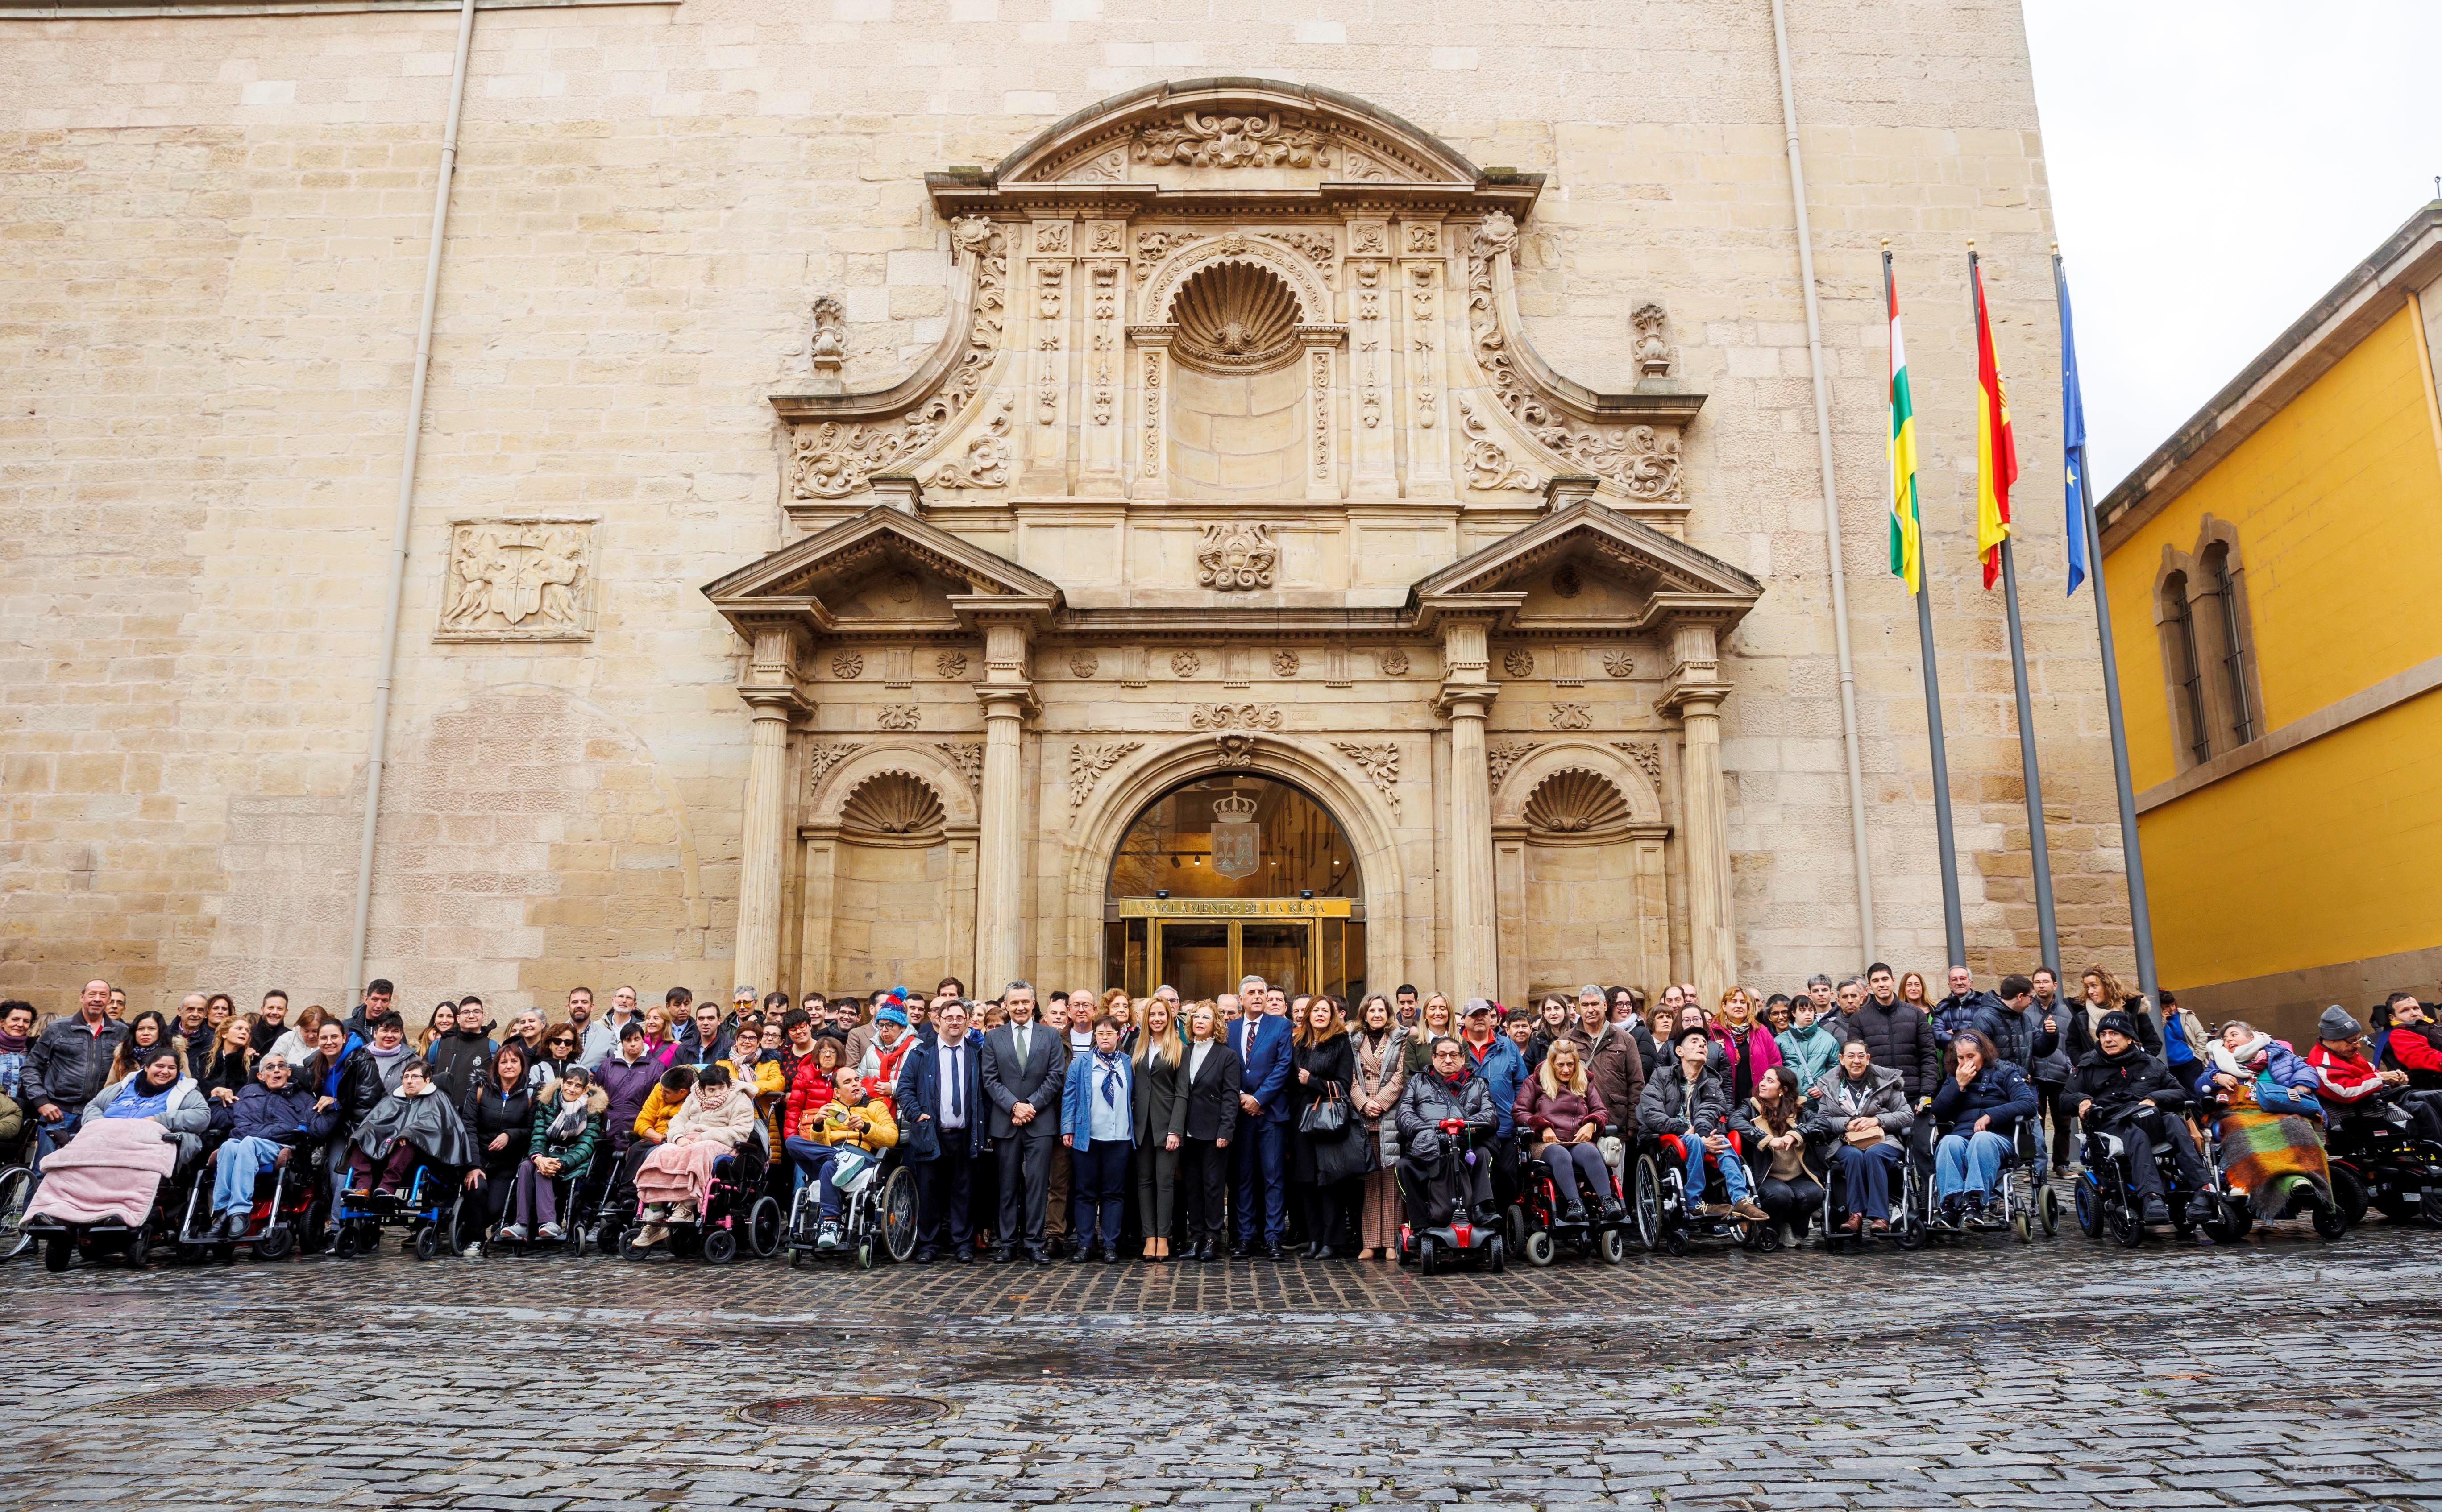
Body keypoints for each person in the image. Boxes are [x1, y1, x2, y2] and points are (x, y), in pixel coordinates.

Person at [2071, 1010, 2208, 1224]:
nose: (2108, 1039)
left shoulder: (2150, 1063)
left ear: (2129, 1038)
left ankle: (2203, 1190)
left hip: (2149, 1117)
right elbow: (2065, 1099)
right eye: (2104, 1034)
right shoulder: (2088, 1065)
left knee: (2173, 1121)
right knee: (2135, 1135)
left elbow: (2180, 1092)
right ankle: (2151, 1197)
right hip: (2112, 1122)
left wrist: (2154, 1098)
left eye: (2114, 1034)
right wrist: (2082, 1099)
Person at [1639, 1025, 1768, 1222]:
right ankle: (1694, 1202)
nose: (1702, 1045)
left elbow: (1710, 1112)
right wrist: (1683, 1129)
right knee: (1695, 1141)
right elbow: (1652, 1112)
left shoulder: (1713, 1081)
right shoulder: (1662, 1076)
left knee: (1724, 1142)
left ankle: (1742, 1199)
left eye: (1704, 1043)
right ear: (1679, 1052)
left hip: (1702, 1133)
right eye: (1695, 1041)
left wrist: (1702, 1135)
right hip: (1670, 1136)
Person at [205, 1053, 338, 1239]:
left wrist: (334, 1105)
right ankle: (221, 1212)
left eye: (281, 1066)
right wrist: (215, 1097)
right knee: (228, 1147)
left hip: (276, 1146)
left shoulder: (304, 1098)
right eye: (270, 1067)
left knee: (247, 1144)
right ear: (261, 1076)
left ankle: (239, 1211)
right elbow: (219, 1120)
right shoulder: (247, 1092)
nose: (276, 1070)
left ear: (289, 1072)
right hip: (243, 1143)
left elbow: (319, 1130)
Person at [630, 1063, 758, 1251]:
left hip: (721, 1144)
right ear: (703, 1088)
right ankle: (655, 1214)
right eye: (712, 1090)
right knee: (660, 1153)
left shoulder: (740, 1099)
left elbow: (741, 1131)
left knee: (700, 1151)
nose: (717, 1093)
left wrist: (704, 1136)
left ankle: (687, 1207)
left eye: (721, 1088)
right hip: (688, 1140)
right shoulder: (694, 1096)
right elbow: (678, 1121)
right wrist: (679, 1137)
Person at [981, 981, 1066, 1265]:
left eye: (1025, 1002)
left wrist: (1030, 1106)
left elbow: (1056, 1076)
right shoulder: (994, 1038)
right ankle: (1007, 1243)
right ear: (1006, 1005)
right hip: (1005, 1122)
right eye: (1014, 1002)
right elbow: (990, 1079)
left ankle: (1034, 1242)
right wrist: (1013, 1106)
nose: (1020, 1007)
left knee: (1038, 1185)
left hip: (1040, 1122)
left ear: (1033, 1004)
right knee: (1007, 1185)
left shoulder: (1050, 1036)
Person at [895, 1000, 985, 1264]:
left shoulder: (977, 1053)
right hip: (931, 1133)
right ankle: (929, 1245)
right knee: (930, 1191)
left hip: (966, 1134)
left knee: (963, 1192)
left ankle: (962, 1244)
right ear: (939, 1020)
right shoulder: (922, 1053)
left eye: (960, 1018)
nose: (955, 1022)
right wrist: (915, 1114)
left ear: (967, 1021)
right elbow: (905, 1088)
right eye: (950, 1017)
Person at [1802, 1038, 1912, 1234]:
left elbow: (1907, 1115)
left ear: (1868, 1059)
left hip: (1882, 1139)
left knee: (1873, 1154)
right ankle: (1855, 1216)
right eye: (1851, 1056)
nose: (1856, 1061)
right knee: (1854, 1156)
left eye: (1861, 1056)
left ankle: (1880, 1217)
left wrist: (1877, 1120)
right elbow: (1824, 1120)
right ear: (1841, 1059)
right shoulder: (1830, 1084)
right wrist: (1846, 1124)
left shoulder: (1885, 1082)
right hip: (1846, 1142)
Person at [786, 1063, 898, 1251]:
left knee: (828, 1167)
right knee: (792, 1143)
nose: (855, 1084)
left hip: (862, 1161)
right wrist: (818, 1125)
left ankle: (830, 1223)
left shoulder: (875, 1106)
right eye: (848, 1082)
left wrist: (865, 1127)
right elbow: (821, 1146)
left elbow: (892, 1138)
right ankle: (840, 1157)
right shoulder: (830, 1109)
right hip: (832, 1154)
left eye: (856, 1080)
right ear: (837, 1092)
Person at [1928, 1031, 2037, 1220]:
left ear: (1983, 1054)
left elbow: (2028, 1103)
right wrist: (1958, 1085)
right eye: (1961, 1058)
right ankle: (1949, 1206)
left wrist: (1991, 1115)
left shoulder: (2005, 1072)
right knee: (1948, 1142)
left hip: (1998, 1137)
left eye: (1971, 1056)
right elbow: (1938, 1111)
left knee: (1981, 1139)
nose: (1965, 1062)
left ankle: (1976, 1202)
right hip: (1963, 1135)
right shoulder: (1954, 1077)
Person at [1393, 1036, 1498, 1234]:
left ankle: (1480, 1208)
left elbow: (1490, 1115)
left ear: (1462, 1058)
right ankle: (1421, 1224)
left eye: (1453, 1055)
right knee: (1405, 1166)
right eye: (1442, 1055)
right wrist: (1427, 1129)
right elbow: (1404, 1114)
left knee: (1483, 1154)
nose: (1448, 1060)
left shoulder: (1478, 1083)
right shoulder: (1417, 1081)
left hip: (1464, 1145)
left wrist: (1464, 1125)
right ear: (1433, 1058)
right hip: (1430, 1147)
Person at [1835, 965, 1939, 1162]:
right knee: (1884, 1153)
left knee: (1924, 1152)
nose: (1881, 984)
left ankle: (1928, 1193)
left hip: (1915, 1096)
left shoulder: (1915, 1014)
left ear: (1893, 980)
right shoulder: (1859, 1018)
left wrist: (1927, 1093)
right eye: (1876, 981)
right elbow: (1856, 1062)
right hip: (1879, 1099)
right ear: (1869, 987)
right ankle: (1895, 1195)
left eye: (1884, 979)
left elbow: (1928, 1056)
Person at [25, 979, 133, 1165]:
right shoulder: (58, 1028)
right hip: (59, 1113)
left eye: (103, 995)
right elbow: (31, 1067)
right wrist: (41, 1102)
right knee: (44, 1170)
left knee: (86, 1173)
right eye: (92, 994)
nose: (97, 999)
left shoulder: (122, 1032)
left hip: (98, 1115)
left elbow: (129, 1073)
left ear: (108, 1000)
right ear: (82, 997)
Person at [1288, 996, 1363, 1259]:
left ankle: (1332, 1241)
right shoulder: (1297, 1042)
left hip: (1329, 1118)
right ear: (1307, 1015)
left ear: (1334, 1016)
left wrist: (1314, 1082)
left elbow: (1344, 1084)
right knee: (1306, 1181)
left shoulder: (1341, 1043)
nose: (1320, 1014)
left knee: (1330, 1181)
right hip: (1300, 1119)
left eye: (1326, 1011)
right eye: (1316, 1010)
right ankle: (1315, 1239)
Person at [1515, 1039, 1619, 1222]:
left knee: (1591, 1153)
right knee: (1561, 1155)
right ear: (1551, 1064)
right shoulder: (1535, 1082)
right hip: (1546, 1142)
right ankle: (1575, 1204)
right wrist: (1542, 1125)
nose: (1566, 1070)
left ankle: (1608, 1203)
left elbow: (1601, 1110)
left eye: (1570, 1064)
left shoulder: (1584, 1081)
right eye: (1560, 1065)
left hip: (1578, 1139)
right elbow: (1519, 1112)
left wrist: (1592, 1124)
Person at [1059, 1015, 1134, 1263]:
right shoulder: (1081, 1064)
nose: (1105, 1038)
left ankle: (1111, 1245)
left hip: (1119, 1137)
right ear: (1095, 1037)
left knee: (1114, 1192)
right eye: (1100, 1034)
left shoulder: (1128, 1063)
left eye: (1109, 1034)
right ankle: (1085, 1244)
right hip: (1087, 1137)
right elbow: (1069, 1098)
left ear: (1118, 1035)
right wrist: (1068, 1129)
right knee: (1085, 1193)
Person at [498, 1065, 603, 1243]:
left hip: (573, 1160)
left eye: (578, 1086)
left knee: (543, 1171)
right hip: (545, 1153)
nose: (572, 1089)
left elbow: (586, 1146)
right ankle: (521, 1224)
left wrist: (560, 1163)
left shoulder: (591, 1111)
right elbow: (538, 1136)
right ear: (562, 1084)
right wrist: (538, 1157)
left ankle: (549, 1222)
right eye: (569, 1083)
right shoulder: (546, 1104)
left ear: (585, 1089)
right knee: (525, 1166)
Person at [1228, 975, 1294, 1260]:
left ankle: (1273, 1237)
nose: (1257, 996)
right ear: (1241, 999)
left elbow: (1283, 1066)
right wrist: (1243, 1096)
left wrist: (1258, 1099)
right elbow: (1226, 1067)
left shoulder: (1281, 1026)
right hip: (1240, 1115)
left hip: (1271, 1113)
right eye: (1251, 993)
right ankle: (1244, 1237)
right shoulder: (1229, 1030)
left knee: (1273, 1177)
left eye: (1261, 992)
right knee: (1243, 1178)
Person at [344, 1057, 476, 1198]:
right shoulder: (392, 1099)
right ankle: (363, 1187)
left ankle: (388, 1187)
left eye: (415, 1077)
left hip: (425, 1154)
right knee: (360, 1138)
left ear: (427, 1081)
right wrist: (383, 1136)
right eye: (406, 1077)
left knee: (408, 1140)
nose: (409, 1081)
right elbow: (376, 1123)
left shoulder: (438, 1098)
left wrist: (408, 1133)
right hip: (387, 1150)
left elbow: (437, 1127)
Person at [85, 1041, 213, 1169]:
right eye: (160, 1066)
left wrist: (159, 1120)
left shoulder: (185, 1090)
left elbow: (202, 1116)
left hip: (146, 1147)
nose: (165, 1072)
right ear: (147, 1068)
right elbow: (93, 1105)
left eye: (172, 1068)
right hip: (104, 1140)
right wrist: (99, 1125)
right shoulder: (126, 1085)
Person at [1732, 1064, 1821, 1243]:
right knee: (1781, 1195)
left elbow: (1821, 1123)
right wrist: (1766, 1139)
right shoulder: (1751, 1106)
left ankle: (1791, 1227)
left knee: (1815, 1194)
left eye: (1770, 1081)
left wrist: (1797, 1135)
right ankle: (1771, 1228)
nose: (1762, 1084)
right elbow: (1735, 1121)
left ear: (1783, 1090)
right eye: (1763, 1078)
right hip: (1766, 1175)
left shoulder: (1799, 1109)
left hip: (1796, 1174)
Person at [1349, 994, 1407, 1259]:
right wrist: (1363, 1103)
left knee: (1392, 1182)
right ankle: (1370, 1243)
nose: (1376, 1014)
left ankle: (1393, 1242)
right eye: (1371, 1010)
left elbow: (1399, 1078)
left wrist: (1379, 1103)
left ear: (1388, 1013)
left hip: (1390, 1116)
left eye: (1381, 1010)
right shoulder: (1353, 1040)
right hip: (1364, 1117)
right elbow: (1349, 1077)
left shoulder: (1400, 1038)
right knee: (1370, 1181)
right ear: (1364, 1014)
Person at [462, 1044, 536, 1251]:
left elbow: (531, 1130)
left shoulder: (530, 1094)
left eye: (514, 1061)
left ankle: (469, 1224)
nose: (509, 1066)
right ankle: (475, 1238)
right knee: (476, 1190)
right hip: (479, 1158)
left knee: (495, 1208)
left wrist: (510, 1135)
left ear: (522, 1065)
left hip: (507, 1163)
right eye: (504, 1062)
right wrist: (473, 1165)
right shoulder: (480, 1089)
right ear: (497, 1066)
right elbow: (468, 1127)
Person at [1458, 997, 1529, 1210]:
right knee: (1472, 1177)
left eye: (1484, 1014)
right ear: (1464, 1020)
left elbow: (1522, 1083)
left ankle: (1506, 1225)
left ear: (1492, 1018)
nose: (1480, 1019)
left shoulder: (1508, 1046)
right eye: (1474, 1015)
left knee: (1507, 1176)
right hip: (1467, 1128)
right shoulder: (1454, 1047)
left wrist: (1516, 1111)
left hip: (1504, 1126)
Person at [1130, 996, 1188, 1262]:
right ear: (1146, 1018)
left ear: (1169, 1018)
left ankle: (1163, 1239)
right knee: (1144, 1183)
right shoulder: (1137, 1047)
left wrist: (1176, 1130)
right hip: (1141, 1126)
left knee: (1165, 1183)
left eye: (1161, 1015)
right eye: (1152, 1014)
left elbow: (1182, 1093)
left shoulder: (1179, 1048)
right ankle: (1149, 1237)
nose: (1156, 1019)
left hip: (1167, 1127)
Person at [2205, 1020, 2322, 1118]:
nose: (2229, 1040)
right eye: (2225, 1039)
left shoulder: (2278, 1053)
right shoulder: (2220, 1062)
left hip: (2283, 1104)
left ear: (2251, 1038)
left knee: (2296, 1126)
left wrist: (2301, 1083)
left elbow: (2305, 1068)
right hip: (2244, 1111)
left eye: (2234, 1035)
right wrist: (2217, 1078)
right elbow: (2201, 1083)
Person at [2028, 968, 2077, 1173]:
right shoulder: (2026, 1009)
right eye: (2037, 982)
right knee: (2032, 1124)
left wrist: (2070, 1065)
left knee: (2063, 1123)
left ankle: (2061, 1164)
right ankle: (2033, 1167)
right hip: (2035, 1074)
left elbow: (2073, 1042)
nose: (2041, 986)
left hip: (2060, 1074)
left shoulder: (2067, 1011)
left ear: (2055, 985)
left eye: (2045, 982)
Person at [2064, 964, 2162, 1063]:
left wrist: (2138, 1064)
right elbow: (2072, 1045)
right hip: (2098, 1075)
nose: (2090, 991)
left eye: (2094, 986)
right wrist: (2086, 1065)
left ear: (2107, 986)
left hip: (2131, 1075)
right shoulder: (2081, 1014)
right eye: (2087, 987)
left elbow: (2153, 1043)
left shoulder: (2131, 1009)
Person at [1709, 988, 1782, 1104]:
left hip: (1759, 1098)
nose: (1739, 1006)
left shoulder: (1761, 1031)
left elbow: (1776, 1064)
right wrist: (1712, 1050)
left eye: (1743, 1002)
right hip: (1725, 1098)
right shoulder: (1713, 1031)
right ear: (1724, 1006)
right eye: (1734, 1002)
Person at [429, 1002, 494, 1115]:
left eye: (476, 1012)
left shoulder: (493, 1048)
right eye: (466, 1012)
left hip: (473, 1117)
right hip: (438, 1113)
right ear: (458, 1018)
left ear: (483, 1016)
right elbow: (426, 1074)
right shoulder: (441, 1044)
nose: (471, 1016)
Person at [1775, 992, 1842, 1095]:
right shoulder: (1780, 1041)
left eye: (1811, 1010)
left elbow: (1836, 1070)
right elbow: (1775, 1071)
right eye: (1803, 1011)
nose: (1808, 1013)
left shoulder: (1828, 1039)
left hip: (1819, 1102)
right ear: (1793, 1013)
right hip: (1790, 1101)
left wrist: (1824, 1088)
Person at [1930, 967, 2004, 1049]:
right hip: (1952, 1060)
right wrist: (1969, 1035)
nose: (1959, 983)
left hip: (1981, 1058)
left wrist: (1955, 1031)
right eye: (1954, 980)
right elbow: (1936, 1037)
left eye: (1963, 979)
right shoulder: (1943, 1008)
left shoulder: (1984, 1004)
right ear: (1949, 985)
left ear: (1971, 982)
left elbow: (1986, 1032)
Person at [195, 1015, 258, 1106]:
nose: (245, 1033)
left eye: (247, 1030)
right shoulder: (205, 1060)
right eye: (239, 1029)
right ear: (224, 1034)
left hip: (239, 1114)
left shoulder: (254, 1061)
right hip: (209, 1112)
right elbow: (197, 1091)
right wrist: (213, 1094)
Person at [1401, 994, 1456, 1077]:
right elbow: (1410, 1078)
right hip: (1422, 1090)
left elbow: (1466, 1077)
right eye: (1433, 1009)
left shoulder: (1461, 1041)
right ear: (1425, 1014)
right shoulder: (1414, 1042)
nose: (1438, 1013)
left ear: (1449, 1013)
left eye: (1443, 1009)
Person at [265, 1005, 328, 1072]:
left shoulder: (330, 1044)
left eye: (315, 1031)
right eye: (306, 1031)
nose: (311, 1036)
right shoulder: (288, 1038)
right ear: (300, 1028)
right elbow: (268, 1064)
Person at [1525, 995, 1574, 1072]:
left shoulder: (1578, 1035)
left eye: (1557, 1008)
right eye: (1548, 1009)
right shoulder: (1537, 1041)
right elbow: (1527, 1070)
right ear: (1544, 1014)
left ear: (1565, 1011)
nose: (1553, 1013)